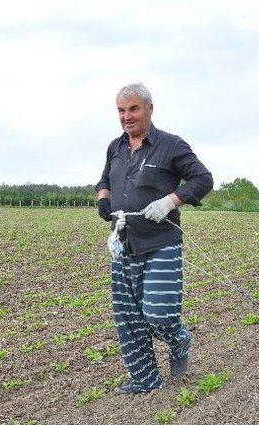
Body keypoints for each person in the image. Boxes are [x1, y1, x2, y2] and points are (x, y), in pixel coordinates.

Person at [95, 83, 213, 394]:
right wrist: (103, 197)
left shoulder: (171, 146)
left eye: (133, 109)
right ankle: (145, 380)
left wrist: (170, 201)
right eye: (121, 110)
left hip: (161, 242)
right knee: (129, 319)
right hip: (123, 243)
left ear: (149, 108)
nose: (126, 116)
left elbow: (203, 179)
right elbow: (105, 178)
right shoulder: (115, 147)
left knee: (159, 314)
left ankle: (178, 340)